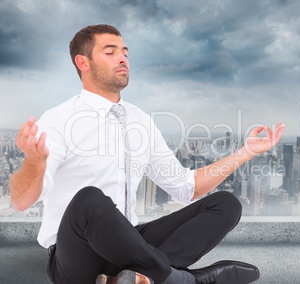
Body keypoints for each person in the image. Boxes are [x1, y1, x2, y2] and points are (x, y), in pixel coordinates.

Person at [10, 24, 284, 284]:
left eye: (125, 53)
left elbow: (186, 188)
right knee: (88, 199)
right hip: (77, 257)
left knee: (225, 204)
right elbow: (21, 201)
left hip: (129, 248)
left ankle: (140, 277)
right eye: (110, 52)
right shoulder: (59, 119)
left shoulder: (139, 120)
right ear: (83, 63)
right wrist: (35, 162)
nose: (123, 59)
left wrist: (246, 152)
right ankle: (178, 279)